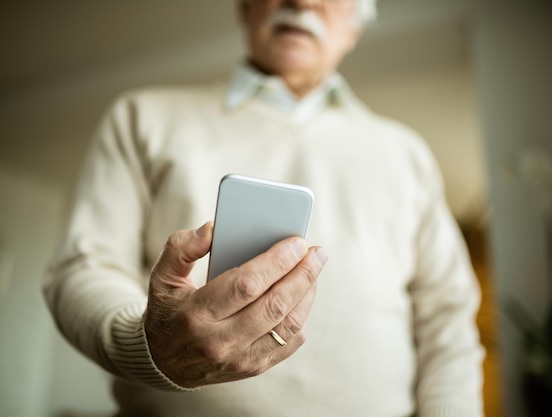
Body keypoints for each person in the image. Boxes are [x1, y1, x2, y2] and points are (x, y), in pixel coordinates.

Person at [44, 0, 485, 416]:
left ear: (354, 27)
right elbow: (84, 266)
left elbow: (447, 315)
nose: (303, 1)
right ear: (245, 6)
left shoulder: (406, 153)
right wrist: (149, 347)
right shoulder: (140, 117)